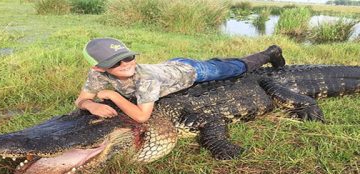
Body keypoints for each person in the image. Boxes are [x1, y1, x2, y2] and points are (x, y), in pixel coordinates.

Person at [75, 37, 285, 123]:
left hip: (192, 71)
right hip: (170, 68)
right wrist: (90, 104)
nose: (126, 65)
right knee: (224, 64)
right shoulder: (97, 73)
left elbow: (142, 117)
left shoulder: (145, 79)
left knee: (236, 68)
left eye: (128, 57)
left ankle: (270, 53)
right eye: (115, 63)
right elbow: (82, 100)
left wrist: (111, 95)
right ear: (98, 67)